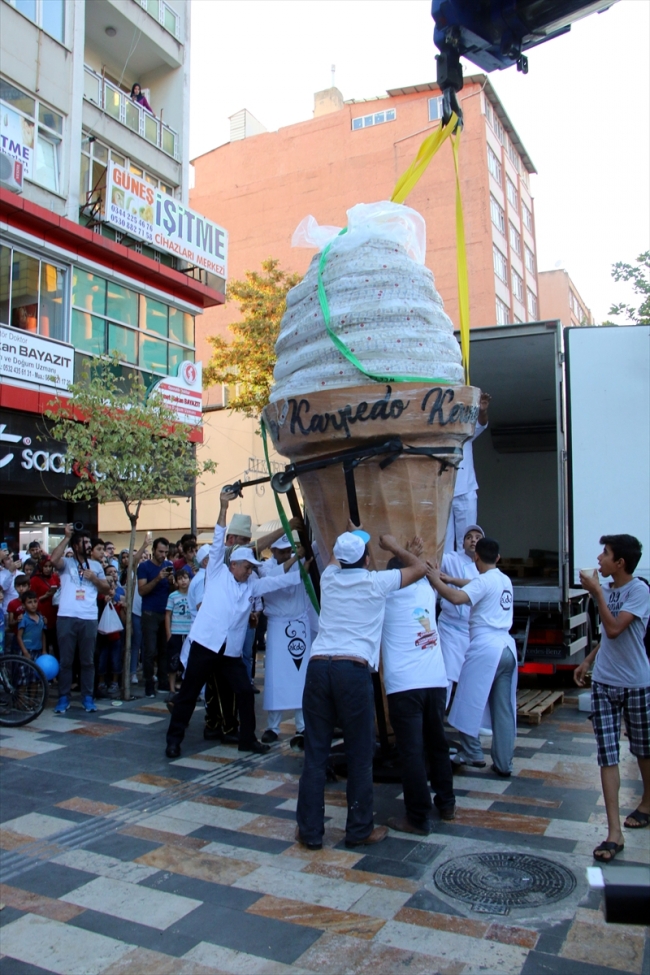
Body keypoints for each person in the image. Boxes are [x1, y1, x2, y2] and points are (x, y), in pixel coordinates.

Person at [296, 527, 426, 851]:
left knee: (315, 753)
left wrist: (351, 538)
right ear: (368, 560)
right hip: (351, 670)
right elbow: (421, 569)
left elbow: (337, 558)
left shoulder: (328, 579)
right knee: (359, 753)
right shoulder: (376, 582)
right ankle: (359, 829)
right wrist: (396, 545)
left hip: (318, 667)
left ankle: (310, 831)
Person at [165, 490, 303, 759]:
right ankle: (174, 740)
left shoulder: (251, 583)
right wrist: (222, 506)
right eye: (246, 567)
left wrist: (300, 561)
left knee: (245, 691)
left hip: (229, 652)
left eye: (252, 567)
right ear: (234, 565)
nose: (250, 571)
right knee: (188, 695)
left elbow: (276, 581)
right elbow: (218, 538)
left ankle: (247, 740)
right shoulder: (216, 573)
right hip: (205, 645)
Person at [574, 534, 650, 863]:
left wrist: (597, 593)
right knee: (607, 755)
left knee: (643, 749)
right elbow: (607, 636)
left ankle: (648, 801)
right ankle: (614, 832)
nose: (599, 559)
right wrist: (589, 660)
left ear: (620, 563)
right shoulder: (610, 591)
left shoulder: (639, 591)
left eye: (605, 554)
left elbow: (617, 627)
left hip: (635, 683)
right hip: (604, 683)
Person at [381, 538, 455, 835]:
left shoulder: (385, 594)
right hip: (436, 681)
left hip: (404, 686)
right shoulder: (428, 590)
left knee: (411, 752)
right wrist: (405, 550)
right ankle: (447, 803)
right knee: (437, 744)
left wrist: (394, 548)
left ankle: (417, 817)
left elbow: (411, 568)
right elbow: (422, 568)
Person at [427, 537, 518, 777]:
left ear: (475, 556)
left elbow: (457, 598)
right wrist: (451, 579)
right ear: (498, 558)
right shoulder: (503, 579)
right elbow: (475, 584)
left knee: (467, 700)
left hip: (485, 648)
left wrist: (436, 580)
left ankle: (472, 751)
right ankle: (504, 763)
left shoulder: (483, 582)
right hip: (507, 649)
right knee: (503, 708)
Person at [50, 524, 110, 714]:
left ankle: (87, 697)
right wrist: (66, 537)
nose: (87, 545)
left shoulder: (97, 566)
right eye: (84, 542)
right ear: (76, 545)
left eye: (88, 542)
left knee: (87, 661)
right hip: (67, 616)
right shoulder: (67, 563)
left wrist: (94, 579)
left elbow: (106, 589)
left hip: (89, 617)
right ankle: (63, 697)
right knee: (66, 660)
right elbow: (53, 559)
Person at [258, 534, 311, 749]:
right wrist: (295, 559)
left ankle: (302, 726)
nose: (287, 554)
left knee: (302, 676)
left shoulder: (300, 563)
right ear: (272, 551)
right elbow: (275, 579)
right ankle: (273, 727)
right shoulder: (264, 568)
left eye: (289, 550)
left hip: (299, 625)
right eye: (282, 552)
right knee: (275, 676)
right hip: (278, 627)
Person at [438, 525, 484, 709]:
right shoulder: (451, 559)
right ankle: (439, 716)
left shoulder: (485, 567)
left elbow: (479, 586)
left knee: (473, 678)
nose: (473, 540)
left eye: (477, 537)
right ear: (462, 542)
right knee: (447, 675)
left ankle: (472, 720)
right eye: (469, 537)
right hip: (450, 628)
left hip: (473, 631)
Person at [445, 392, 491, 552]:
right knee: (444, 544)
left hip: (465, 491)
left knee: (469, 541)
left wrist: (483, 411)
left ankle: (467, 575)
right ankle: (445, 577)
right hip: (442, 494)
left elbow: (481, 423)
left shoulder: (465, 431)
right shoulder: (438, 433)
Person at [137, 537, 174, 697]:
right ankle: (149, 683)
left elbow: (172, 590)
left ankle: (163, 680)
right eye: (160, 552)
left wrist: (172, 582)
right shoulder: (144, 567)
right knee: (150, 650)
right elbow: (142, 590)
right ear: (153, 550)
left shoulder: (169, 565)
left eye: (166, 552)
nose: (163, 555)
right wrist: (158, 578)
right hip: (150, 612)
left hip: (165, 612)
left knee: (165, 649)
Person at [165, 567, 192, 702]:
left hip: (190, 633)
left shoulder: (193, 595)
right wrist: (169, 633)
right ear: (176, 581)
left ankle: (188, 690)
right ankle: (171, 689)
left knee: (189, 662)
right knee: (173, 661)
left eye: (185, 578)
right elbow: (168, 615)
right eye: (180, 579)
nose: (183, 581)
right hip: (176, 632)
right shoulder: (173, 596)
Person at [29, 558, 60, 657]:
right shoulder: (34, 580)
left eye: (50, 566)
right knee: (43, 645)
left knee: (57, 645)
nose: (47, 569)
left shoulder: (55, 577)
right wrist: (45, 596)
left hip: (55, 613)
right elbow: (30, 600)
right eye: (45, 566)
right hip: (41, 613)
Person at [16, 591, 46, 661]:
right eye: (29, 602)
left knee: (36, 670)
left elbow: (43, 634)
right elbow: (19, 636)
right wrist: (25, 652)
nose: (33, 605)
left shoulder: (41, 618)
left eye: (35, 601)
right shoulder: (23, 619)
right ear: (23, 605)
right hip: (27, 649)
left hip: (38, 650)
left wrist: (44, 650)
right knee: (25, 670)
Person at [6, 575, 30, 650]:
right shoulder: (12, 603)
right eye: (18, 586)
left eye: (24, 586)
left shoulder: (33, 602)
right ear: (15, 587)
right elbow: (10, 624)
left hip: (31, 637)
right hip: (17, 637)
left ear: (29, 586)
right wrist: (17, 620)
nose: (21, 588)